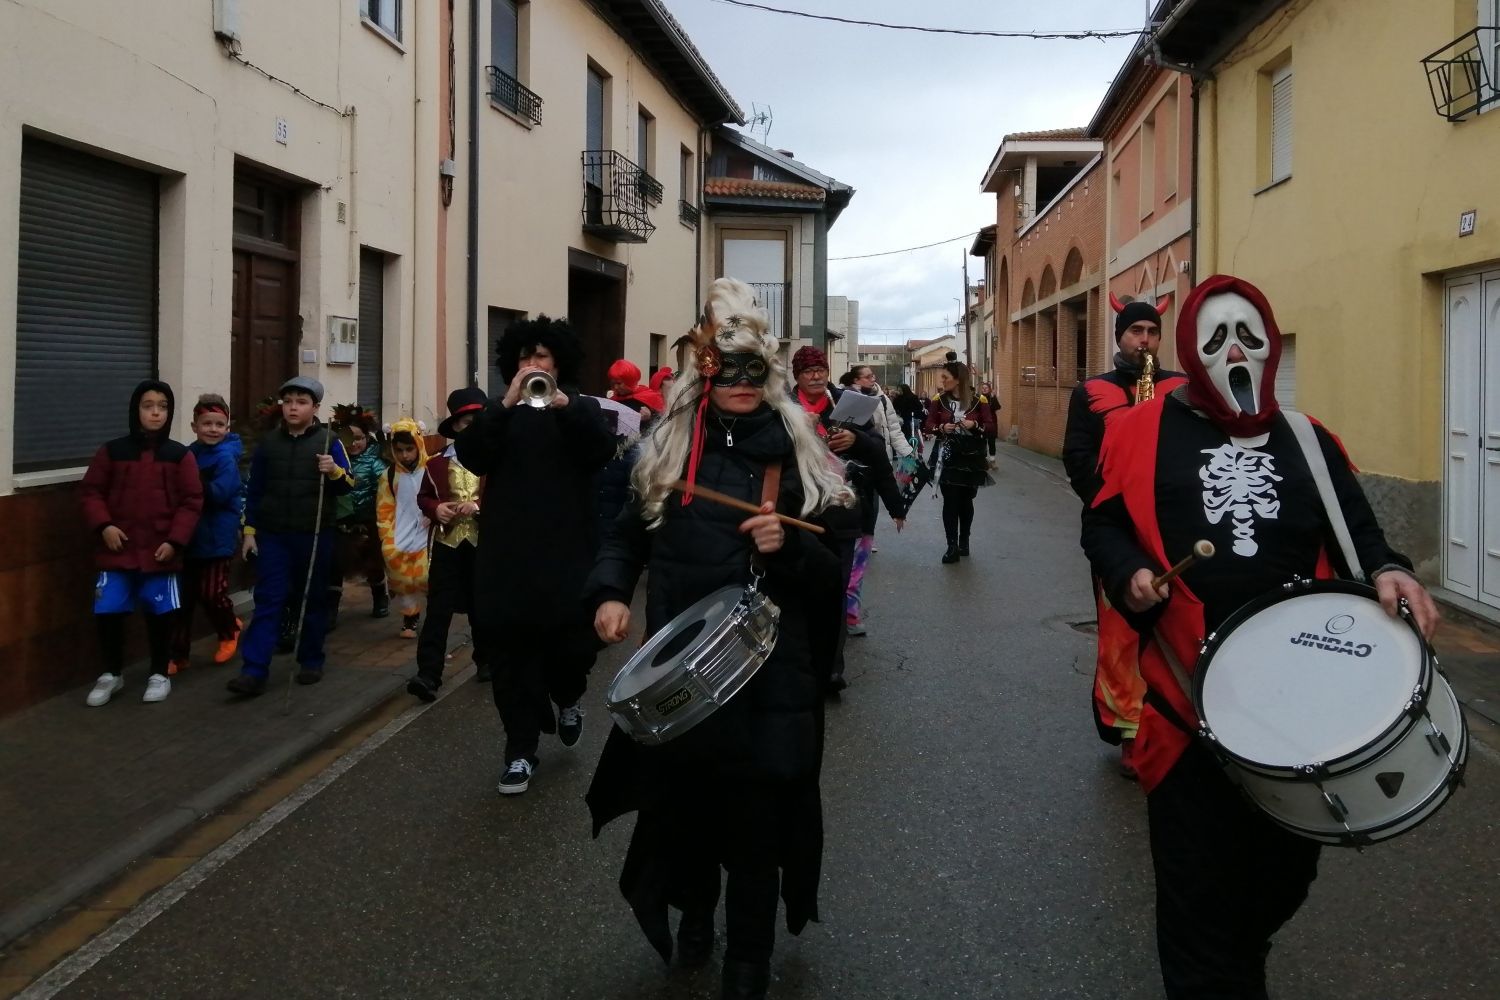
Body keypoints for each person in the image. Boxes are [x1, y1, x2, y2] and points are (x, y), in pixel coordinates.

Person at [1081, 274, 1439, 999]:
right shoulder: (1137, 429)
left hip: (1290, 714)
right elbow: (1104, 520)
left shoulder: (1308, 440)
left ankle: (1234, 962)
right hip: (1186, 705)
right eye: (1216, 339)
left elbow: (1358, 528)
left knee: (1284, 874)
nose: (1235, 350)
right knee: (1195, 900)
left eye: (1250, 336)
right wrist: (1129, 575)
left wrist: (1391, 569)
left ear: (1271, 348)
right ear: (1190, 349)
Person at [586, 278, 847, 1000]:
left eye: (752, 371)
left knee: (759, 832)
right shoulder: (667, 453)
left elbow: (832, 576)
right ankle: (696, 922)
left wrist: (786, 546)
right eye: (724, 369)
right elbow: (623, 538)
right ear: (704, 371)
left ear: (770, 375)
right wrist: (610, 593)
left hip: (772, 681)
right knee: (687, 818)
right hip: (682, 679)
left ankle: (748, 964)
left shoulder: (801, 461)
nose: (737, 383)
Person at [454, 316, 615, 795]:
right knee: (511, 660)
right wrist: (503, 405)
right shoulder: (498, 415)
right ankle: (519, 751)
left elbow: (601, 451)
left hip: (568, 556)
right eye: (525, 358)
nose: (531, 366)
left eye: (540, 357)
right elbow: (471, 455)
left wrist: (565, 405)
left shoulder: (582, 408)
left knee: (572, 650)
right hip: (508, 560)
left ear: (558, 363)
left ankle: (568, 698)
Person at [1062, 295, 1187, 778]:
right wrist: (1115, 510)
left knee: (1182, 629)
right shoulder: (1092, 390)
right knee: (1120, 638)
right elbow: (1078, 457)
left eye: (1152, 332)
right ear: (1119, 337)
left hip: (1175, 532)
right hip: (1121, 536)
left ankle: (1180, 725)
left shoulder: (1180, 387)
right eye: (1136, 332)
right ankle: (1130, 731)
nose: (1145, 340)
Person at [80, 380, 204, 706]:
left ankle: (159, 672)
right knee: (107, 610)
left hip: (159, 552)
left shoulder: (179, 455)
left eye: (162, 407)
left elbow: (192, 501)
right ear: (136, 409)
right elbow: (91, 492)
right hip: (117, 550)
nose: (155, 412)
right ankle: (111, 673)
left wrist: (176, 541)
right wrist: (104, 525)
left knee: (160, 613)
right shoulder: (112, 451)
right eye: (148, 405)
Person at [229, 376, 353, 695]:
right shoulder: (269, 444)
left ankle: (311, 659)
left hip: (313, 534)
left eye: (301, 402)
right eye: (288, 402)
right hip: (273, 535)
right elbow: (254, 490)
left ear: (315, 408)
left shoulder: (329, 442)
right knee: (269, 599)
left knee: (311, 599)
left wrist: (334, 471)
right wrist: (250, 532)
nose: (293, 407)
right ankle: (254, 670)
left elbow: (348, 487)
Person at [792, 347, 903, 688]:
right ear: (797, 375)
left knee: (835, 594)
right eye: (808, 370)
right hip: (794, 514)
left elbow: (875, 447)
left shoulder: (848, 403)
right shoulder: (781, 406)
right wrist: (800, 431)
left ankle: (831, 669)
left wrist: (855, 439)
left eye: (820, 368)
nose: (815, 375)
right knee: (796, 594)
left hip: (840, 514)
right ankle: (797, 668)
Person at [408, 389, 490, 700]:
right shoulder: (437, 464)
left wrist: (479, 505)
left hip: (484, 545)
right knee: (439, 610)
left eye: (478, 421)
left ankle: (487, 660)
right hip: (447, 544)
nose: (473, 427)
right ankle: (428, 674)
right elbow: (424, 497)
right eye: (467, 422)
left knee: (482, 605)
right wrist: (435, 509)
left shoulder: (497, 461)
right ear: (455, 427)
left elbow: (510, 499)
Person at [169, 394, 244, 675]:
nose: (213, 429)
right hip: (189, 537)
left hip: (217, 539)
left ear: (227, 427)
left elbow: (218, 495)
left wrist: (192, 484)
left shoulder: (226, 458)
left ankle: (228, 630)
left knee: (213, 593)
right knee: (182, 599)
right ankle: (178, 654)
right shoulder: (188, 454)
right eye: (207, 423)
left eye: (219, 424)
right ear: (194, 425)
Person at [843, 365, 912, 636]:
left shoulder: (881, 399)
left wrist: (907, 453)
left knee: (861, 547)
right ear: (854, 380)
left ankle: (850, 614)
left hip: (873, 473)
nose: (874, 379)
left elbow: (892, 430)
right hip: (843, 481)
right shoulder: (841, 402)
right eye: (868, 376)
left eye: (873, 376)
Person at [922, 361, 996, 564]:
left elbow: (990, 428)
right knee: (950, 500)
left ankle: (964, 541)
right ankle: (951, 545)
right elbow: (928, 426)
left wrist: (975, 425)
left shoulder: (979, 400)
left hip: (971, 456)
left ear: (958, 380)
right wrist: (941, 428)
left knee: (966, 500)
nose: (942, 381)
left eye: (946, 377)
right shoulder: (939, 399)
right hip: (947, 456)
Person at [332, 406, 390, 620]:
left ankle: (379, 596)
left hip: (368, 520)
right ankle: (331, 607)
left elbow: (384, 491)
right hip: (341, 521)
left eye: (360, 438)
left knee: (372, 563)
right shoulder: (336, 461)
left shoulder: (375, 463)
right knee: (336, 565)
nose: (355, 443)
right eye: (350, 438)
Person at [376, 418, 431, 639]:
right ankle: (410, 616)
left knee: (428, 576)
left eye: (409, 449)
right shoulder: (389, 476)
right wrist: (386, 538)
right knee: (403, 580)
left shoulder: (431, 469)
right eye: (399, 450)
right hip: (400, 534)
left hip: (428, 533)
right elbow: (383, 509)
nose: (405, 455)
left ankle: (436, 615)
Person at [608, 358, 666, 423]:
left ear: (629, 381)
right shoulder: (613, 400)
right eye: (613, 383)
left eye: (619, 383)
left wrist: (650, 417)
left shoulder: (650, 397)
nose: (615, 387)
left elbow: (663, 422)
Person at [976, 381, 1002, 467]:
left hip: (992, 423)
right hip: (982, 423)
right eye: (983, 388)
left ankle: (992, 460)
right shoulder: (978, 398)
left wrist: (994, 397)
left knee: (991, 442)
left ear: (989, 389)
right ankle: (983, 460)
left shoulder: (992, 398)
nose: (984, 389)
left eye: (986, 388)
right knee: (982, 442)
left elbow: (998, 407)